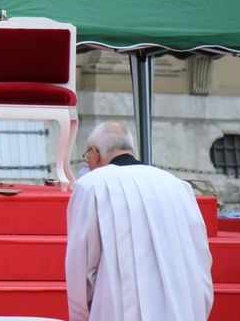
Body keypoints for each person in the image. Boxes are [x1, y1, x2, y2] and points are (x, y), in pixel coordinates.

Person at [65, 121, 213, 321]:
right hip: (180, 309)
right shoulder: (177, 186)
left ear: (94, 153)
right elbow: (200, 258)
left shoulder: (91, 185)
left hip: (118, 308)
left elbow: (81, 264)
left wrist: (80, 315)